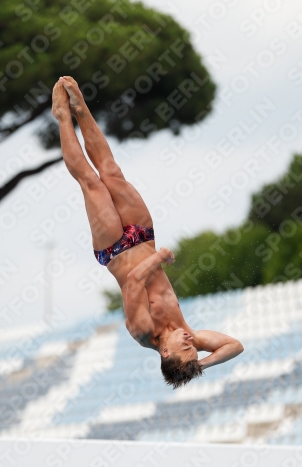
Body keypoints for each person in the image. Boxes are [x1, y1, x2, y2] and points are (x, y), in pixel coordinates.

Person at [52, 76, 244, 389]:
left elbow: (133, 282)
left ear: (165, 351)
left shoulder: (143, 331)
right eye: (193, 347)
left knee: (92, 183)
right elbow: (235, 346)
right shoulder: (187, 333)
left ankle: (62, 118)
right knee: (112, 172)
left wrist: (161, 258)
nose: (189, 340)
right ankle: (81, 110)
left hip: (114, 249)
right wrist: (199, 364)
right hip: (142, 237)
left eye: (186, 348)